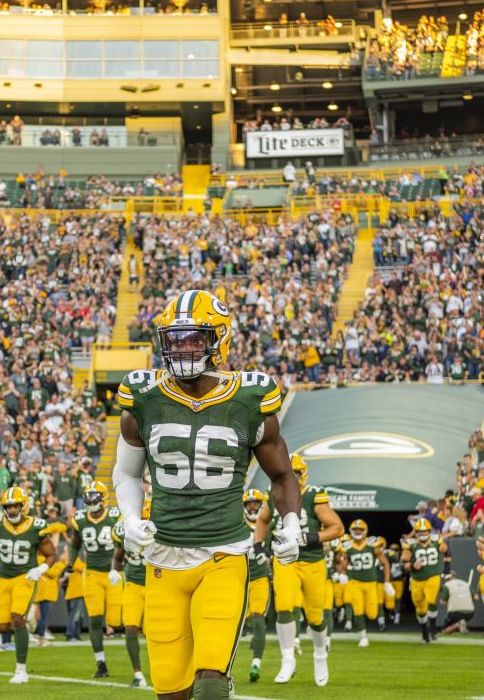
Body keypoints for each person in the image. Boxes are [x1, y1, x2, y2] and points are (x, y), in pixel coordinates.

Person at [114, 289, 305, 699]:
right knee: (171, 692)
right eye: (174, 340)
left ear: (219, 340)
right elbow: (127, 473)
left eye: (193, 339)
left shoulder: (249, 398)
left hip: (223, 554)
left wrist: (291, 523)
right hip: (162, 557)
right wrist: (130, 519)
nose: (181, 349)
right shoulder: (143, 397)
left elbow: (282, 474)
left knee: (212, 684)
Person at [254, 454, 342, 685]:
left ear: (303, 474)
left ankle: (320, 654)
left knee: (315, 616)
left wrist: (309, 537)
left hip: (312, 560)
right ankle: (287, 658)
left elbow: (337, 528)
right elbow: (262, 520)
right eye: (287, 472)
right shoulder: (273, 494)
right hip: (285, 561)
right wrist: (258, 545)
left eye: (295, 473)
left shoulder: (313, 495)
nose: (291, 477)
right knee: (283, 607)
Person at [0, 486, 59, 684]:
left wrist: (40, 570)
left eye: (15, 506)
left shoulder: (36, 526)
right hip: (3, 578)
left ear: (24, 506)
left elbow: (51, 555)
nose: (12, 510)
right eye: (9, 507)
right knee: (2, 627)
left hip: (25, 578)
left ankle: (21, 670)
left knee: (17, 618)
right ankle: (23, 631)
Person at [63, 480, 123, 677]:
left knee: (115, 622)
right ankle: (101, 663)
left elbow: (125, 542)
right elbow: (74, 544)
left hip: (113, 574)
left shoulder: (115, 516)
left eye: (94, 496)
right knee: (94, 620)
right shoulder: (80, 519)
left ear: (103, 498)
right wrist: (70, 564)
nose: (90, 500)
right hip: (92, 574)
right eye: (88, 496)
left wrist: (121, 565)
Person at [333, 519, 394, 648]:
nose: (358, 532)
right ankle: (363, 637)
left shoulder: (372, 545)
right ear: (351, 531)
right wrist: (342, 573)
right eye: (355, 530)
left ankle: (365, 631)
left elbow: (385, 563)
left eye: (360, 530)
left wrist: (387, 582)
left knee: (372, 614)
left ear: (365, 531)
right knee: (358, 610)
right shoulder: (348, 546)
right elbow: (342, 563)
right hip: (356, 583)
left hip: (371, 583)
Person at [112, 499, 151, 689]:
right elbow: (118, 555)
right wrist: (114, 570)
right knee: (130, 628)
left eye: (146, 517)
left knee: (156, 633)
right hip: (133, 584)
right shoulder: (124, 530)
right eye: (140, 517)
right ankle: (137, 673)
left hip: (156, 586)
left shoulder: (162, 532)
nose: (142, 521)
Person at [400, 518, 450, 643]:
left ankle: (432, 629)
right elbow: (403, 563)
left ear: (428, 531)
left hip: (433, 576)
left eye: (425, 531)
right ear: (416, 532)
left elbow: (447, 551)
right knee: (420, 609)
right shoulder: (410, 544)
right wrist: (412, 565)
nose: (422, 534)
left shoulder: (436, 540)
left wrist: (447, 569)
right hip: (417, 579)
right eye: (420, 532)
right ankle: (424, 632)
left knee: (431, 600)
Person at [241, 491, 271, 682]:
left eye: (256, 503)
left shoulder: (269, 524)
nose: (252, 507)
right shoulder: (235, 522)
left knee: (258, 619)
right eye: (249, 504)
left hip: (259, 578)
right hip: (238, 579)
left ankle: (255, 664)